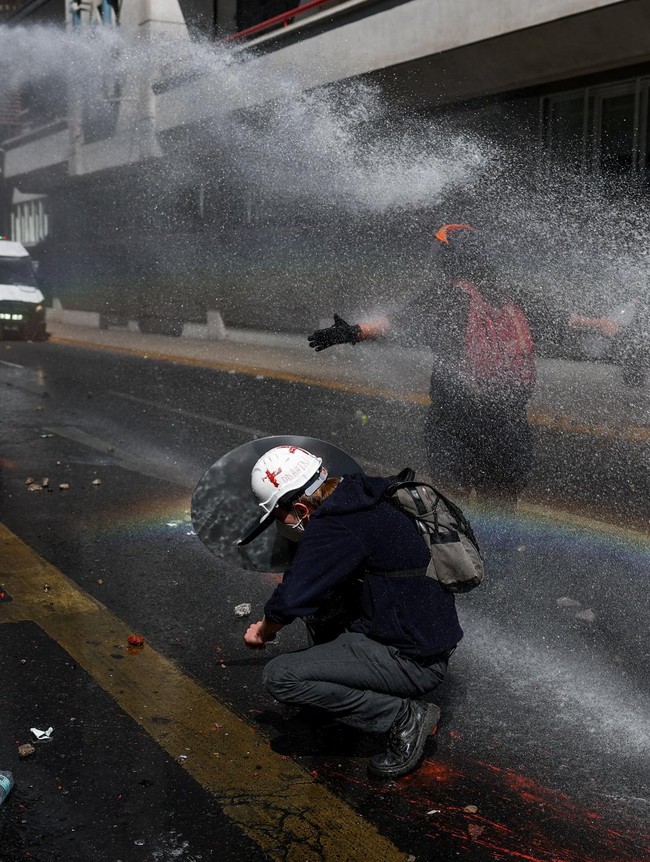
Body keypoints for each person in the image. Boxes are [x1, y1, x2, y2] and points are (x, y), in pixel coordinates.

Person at [239, 444, 462, 780]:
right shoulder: (362, 495)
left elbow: (293, 598)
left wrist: (263, 630)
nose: (279, 526)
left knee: (282, 676)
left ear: (300, 507)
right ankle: (343, 696)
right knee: (324, 605)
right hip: (421, 638)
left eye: (278, 517)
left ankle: (403, 717)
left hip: (412, 660)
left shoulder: (335, 524)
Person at [308, 223, 541, 507]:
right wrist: (606, 327)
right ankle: (501, 546)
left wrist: (351, 331)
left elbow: (392, 325)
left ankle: (464, 550)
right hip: (509, 426)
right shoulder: (514, 299)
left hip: (456, 423)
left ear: (453, 260)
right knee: (502, 507)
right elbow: (568, 322)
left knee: (454, 508)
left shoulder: (447, 298)